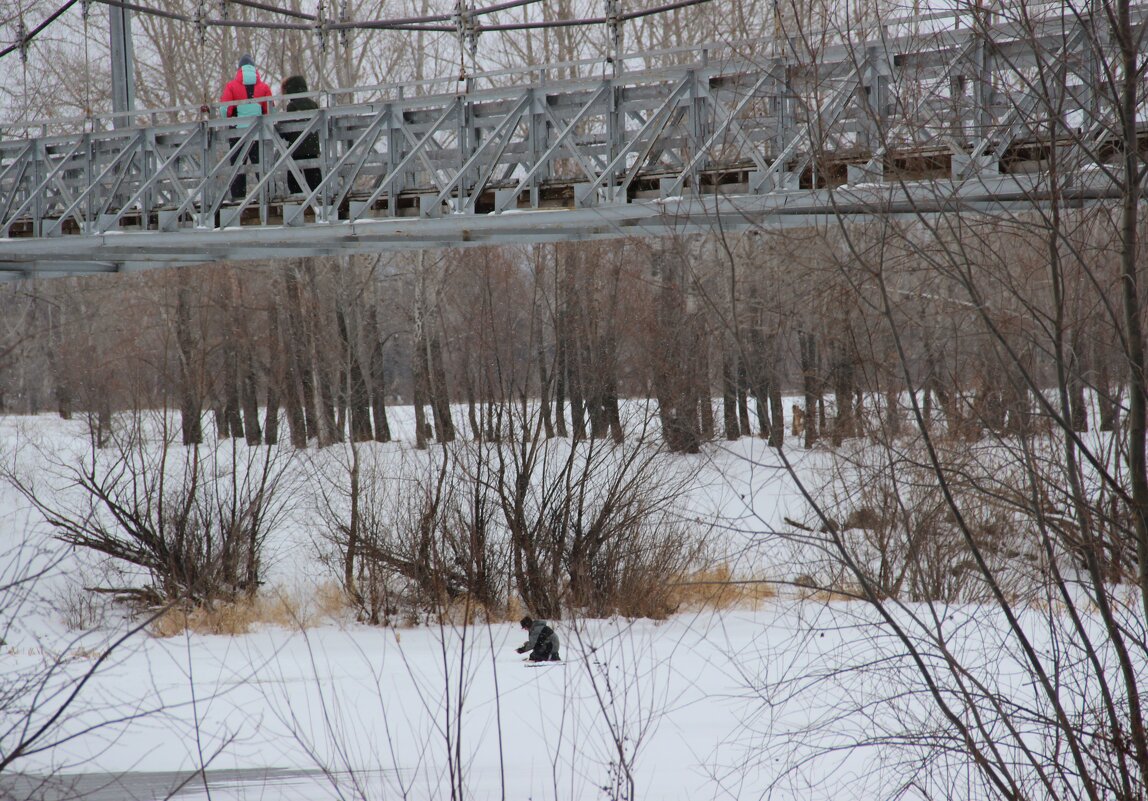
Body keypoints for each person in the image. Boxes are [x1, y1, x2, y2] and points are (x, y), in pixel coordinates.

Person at [219, 54, 272, 199]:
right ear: (254, 68)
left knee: (237, 166)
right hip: (258, 132)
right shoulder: (264, 87)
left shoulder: (231, 86)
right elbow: (269, 111)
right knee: (261, 164)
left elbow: (225, 110)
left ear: (239, 69)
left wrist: (231, 118)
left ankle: (238, 197)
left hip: (237, 133)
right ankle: (266, 193)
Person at [279, 75, 322, 195]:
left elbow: (287, 128)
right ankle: (318, 194)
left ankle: (297, 194)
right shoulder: (313, 105)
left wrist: (281, 131)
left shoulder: (292, 106)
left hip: (297, 147)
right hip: (312, 147)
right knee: (313, 173)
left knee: (294, 173)